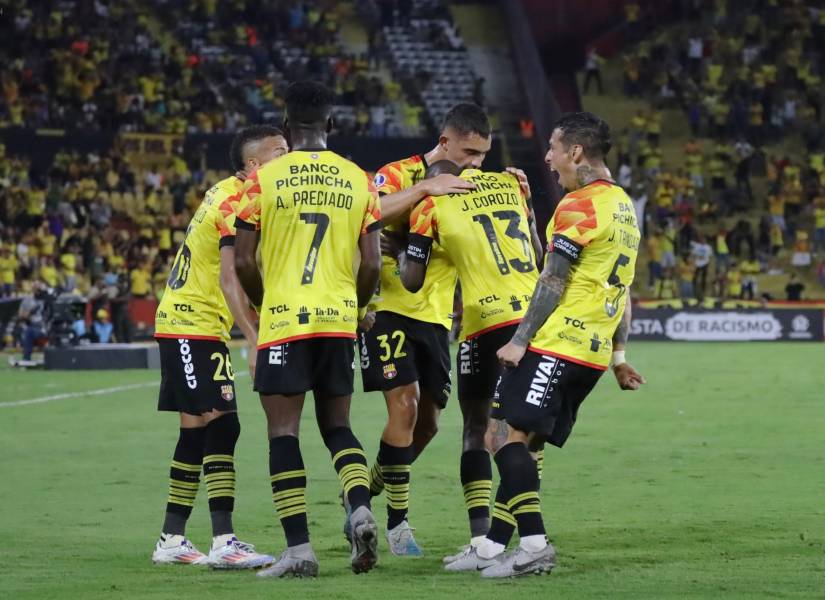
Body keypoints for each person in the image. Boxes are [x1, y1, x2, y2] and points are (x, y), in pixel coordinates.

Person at [475, 112, 646, 577]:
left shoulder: (580, 205)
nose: (547, 157)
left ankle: (532, 545)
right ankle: (492, 546)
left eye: (552, 147)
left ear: (575, 152)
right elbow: (622, 290)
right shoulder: (625, 209)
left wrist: (519, 340)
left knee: (501, 437)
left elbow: (552, 279)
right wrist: (619, 358)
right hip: (589, 352)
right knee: (521, 442)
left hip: (559, 342)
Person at [359, 103, 532, 557]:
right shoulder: (399, 173)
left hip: (437, 318)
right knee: (406, 407)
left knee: (429, 425)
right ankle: (398, 525)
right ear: (444, 142)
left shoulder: (475, 187)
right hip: (390, 308)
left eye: (482, 154)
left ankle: (365, 489)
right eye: (469, 152)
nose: (475, 163)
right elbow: (366, 211)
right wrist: (424, 188)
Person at [233, 81, 383, 577]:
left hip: (284, 321)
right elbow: (372, 266)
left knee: (283, 431)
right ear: (331, 125)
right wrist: (354, 307)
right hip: (338, 321)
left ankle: (299, 551)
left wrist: (263, 304)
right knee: (339, 427)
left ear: (285, 127)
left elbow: (243, 261)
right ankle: (359, 506)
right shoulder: (361, 181)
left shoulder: (264, 180)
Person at [391, 161, 542, 570]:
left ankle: (489, 542)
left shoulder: (431, 201)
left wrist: (401, 247)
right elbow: (538, 252)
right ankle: (506, 540)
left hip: (485, 324)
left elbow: (412, 280)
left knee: (481, 431)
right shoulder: (512, 183)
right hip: (532, 319)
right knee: (524, 435)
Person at [150, 125, 288, 569]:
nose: (288, 158)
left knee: (197, 432)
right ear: (255, 165)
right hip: (192, 323)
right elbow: (231, 278)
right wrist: (255, 339)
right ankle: (223, 541)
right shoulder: (236, 201)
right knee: (222, 426)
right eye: (279, 152)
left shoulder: (230, 192)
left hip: (193, 324)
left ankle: (172, 538)